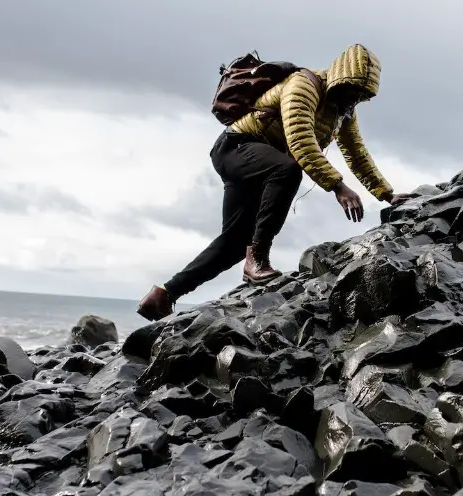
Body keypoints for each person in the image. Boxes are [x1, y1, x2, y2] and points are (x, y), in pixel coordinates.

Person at [137, 44, 414, 321]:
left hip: (261, 163)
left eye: (363, 96)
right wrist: (338, 186)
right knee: (288, 170)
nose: (356, 99)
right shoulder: (303, 85)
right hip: (236, 148)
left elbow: (356, 153)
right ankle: (257, 258)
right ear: (341, 80)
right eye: (354, 90)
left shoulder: (343, 111)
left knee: (233, 243)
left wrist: (386, 194)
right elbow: (300, 141)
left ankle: (164, 295)